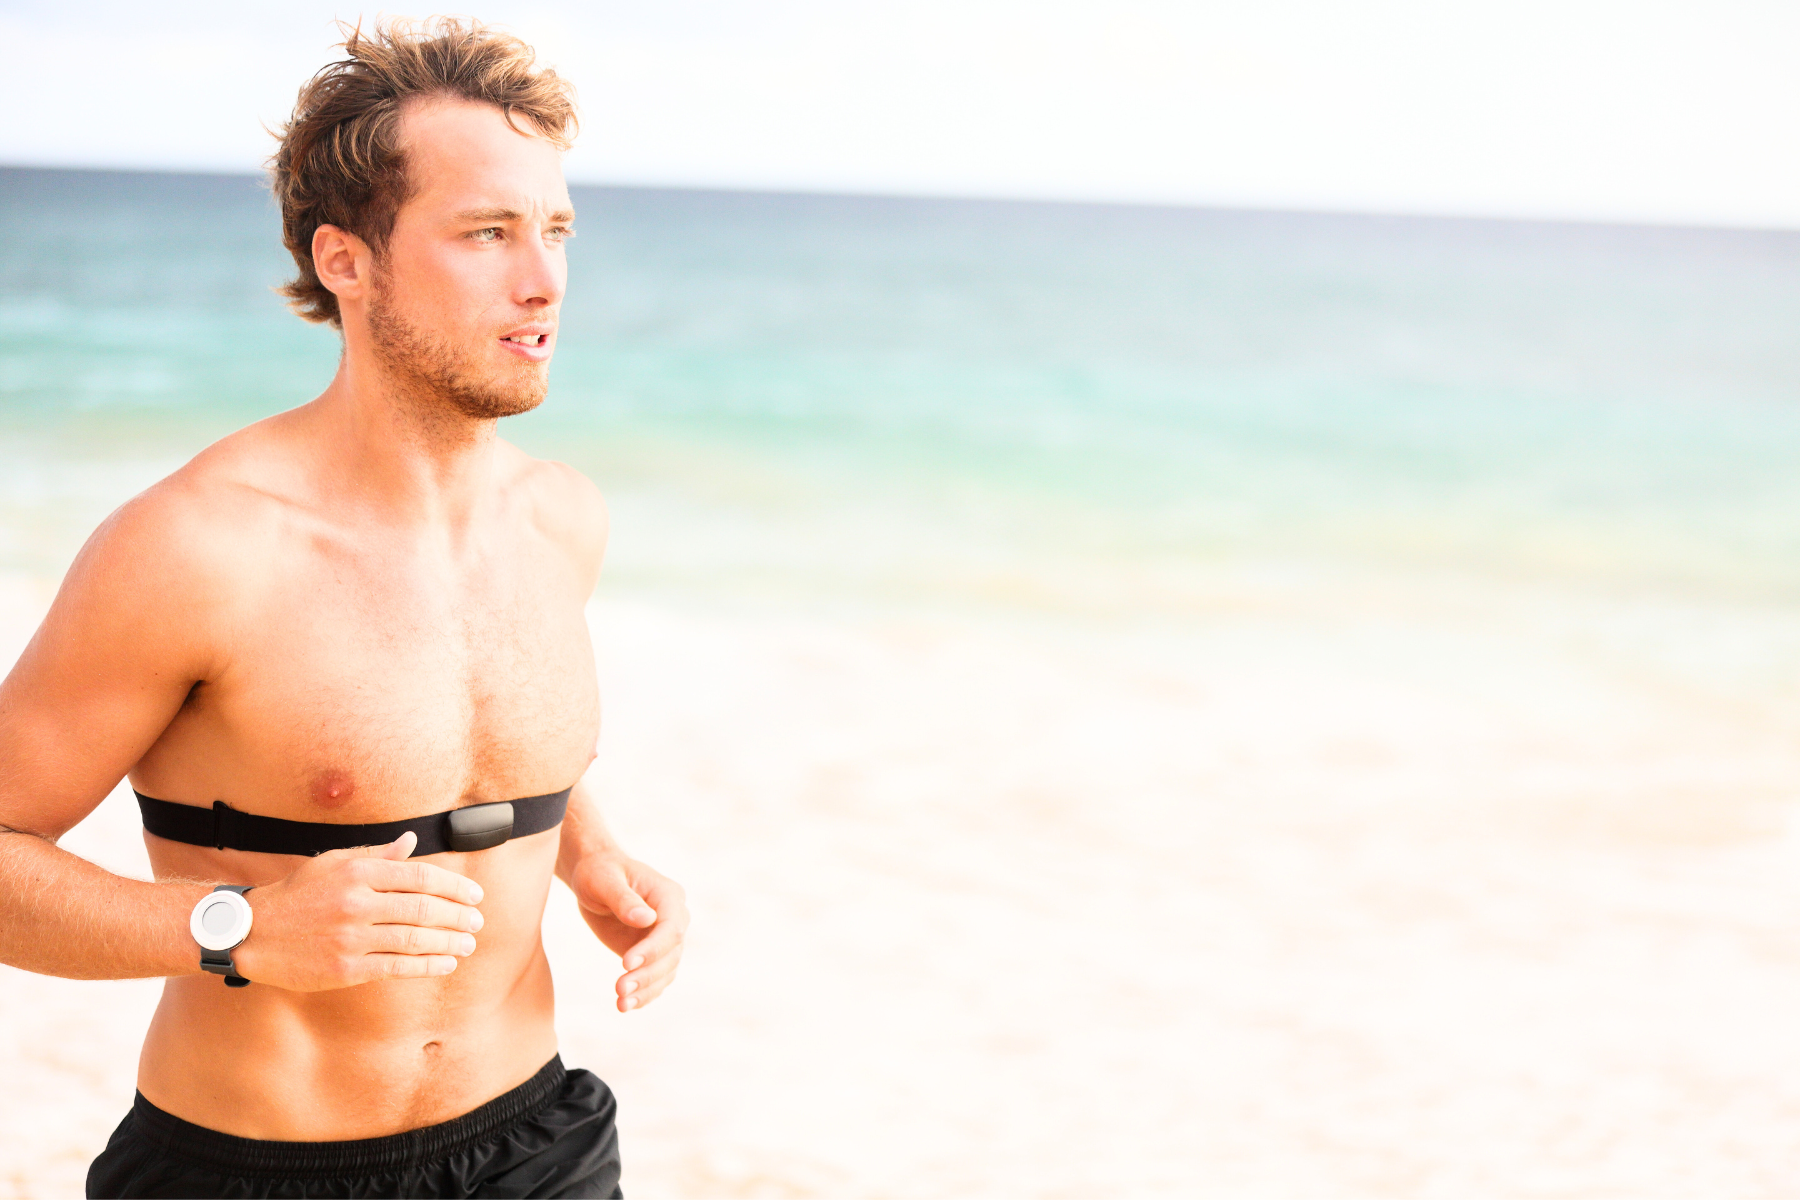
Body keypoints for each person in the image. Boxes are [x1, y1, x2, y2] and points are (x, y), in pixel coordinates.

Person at [0, 17, 686, 1198]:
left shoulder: (560, 520)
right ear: (345, 261)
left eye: (556, 230)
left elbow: (476, 740)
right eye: (487, 233)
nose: (543, 279)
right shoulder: (196, 549)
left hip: (540, 1145)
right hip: (248, 1171)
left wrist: (594, 855)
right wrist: (235, 928)